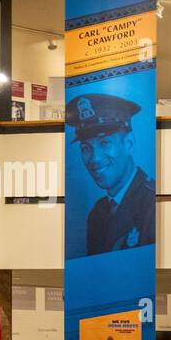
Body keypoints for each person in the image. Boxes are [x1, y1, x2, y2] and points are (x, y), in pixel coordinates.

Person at [66, 93, 156, 256]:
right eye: (86, 148)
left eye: (104, 143)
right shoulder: (98, 213)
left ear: (128, 143)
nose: (94, 158)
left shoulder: (152, 203)